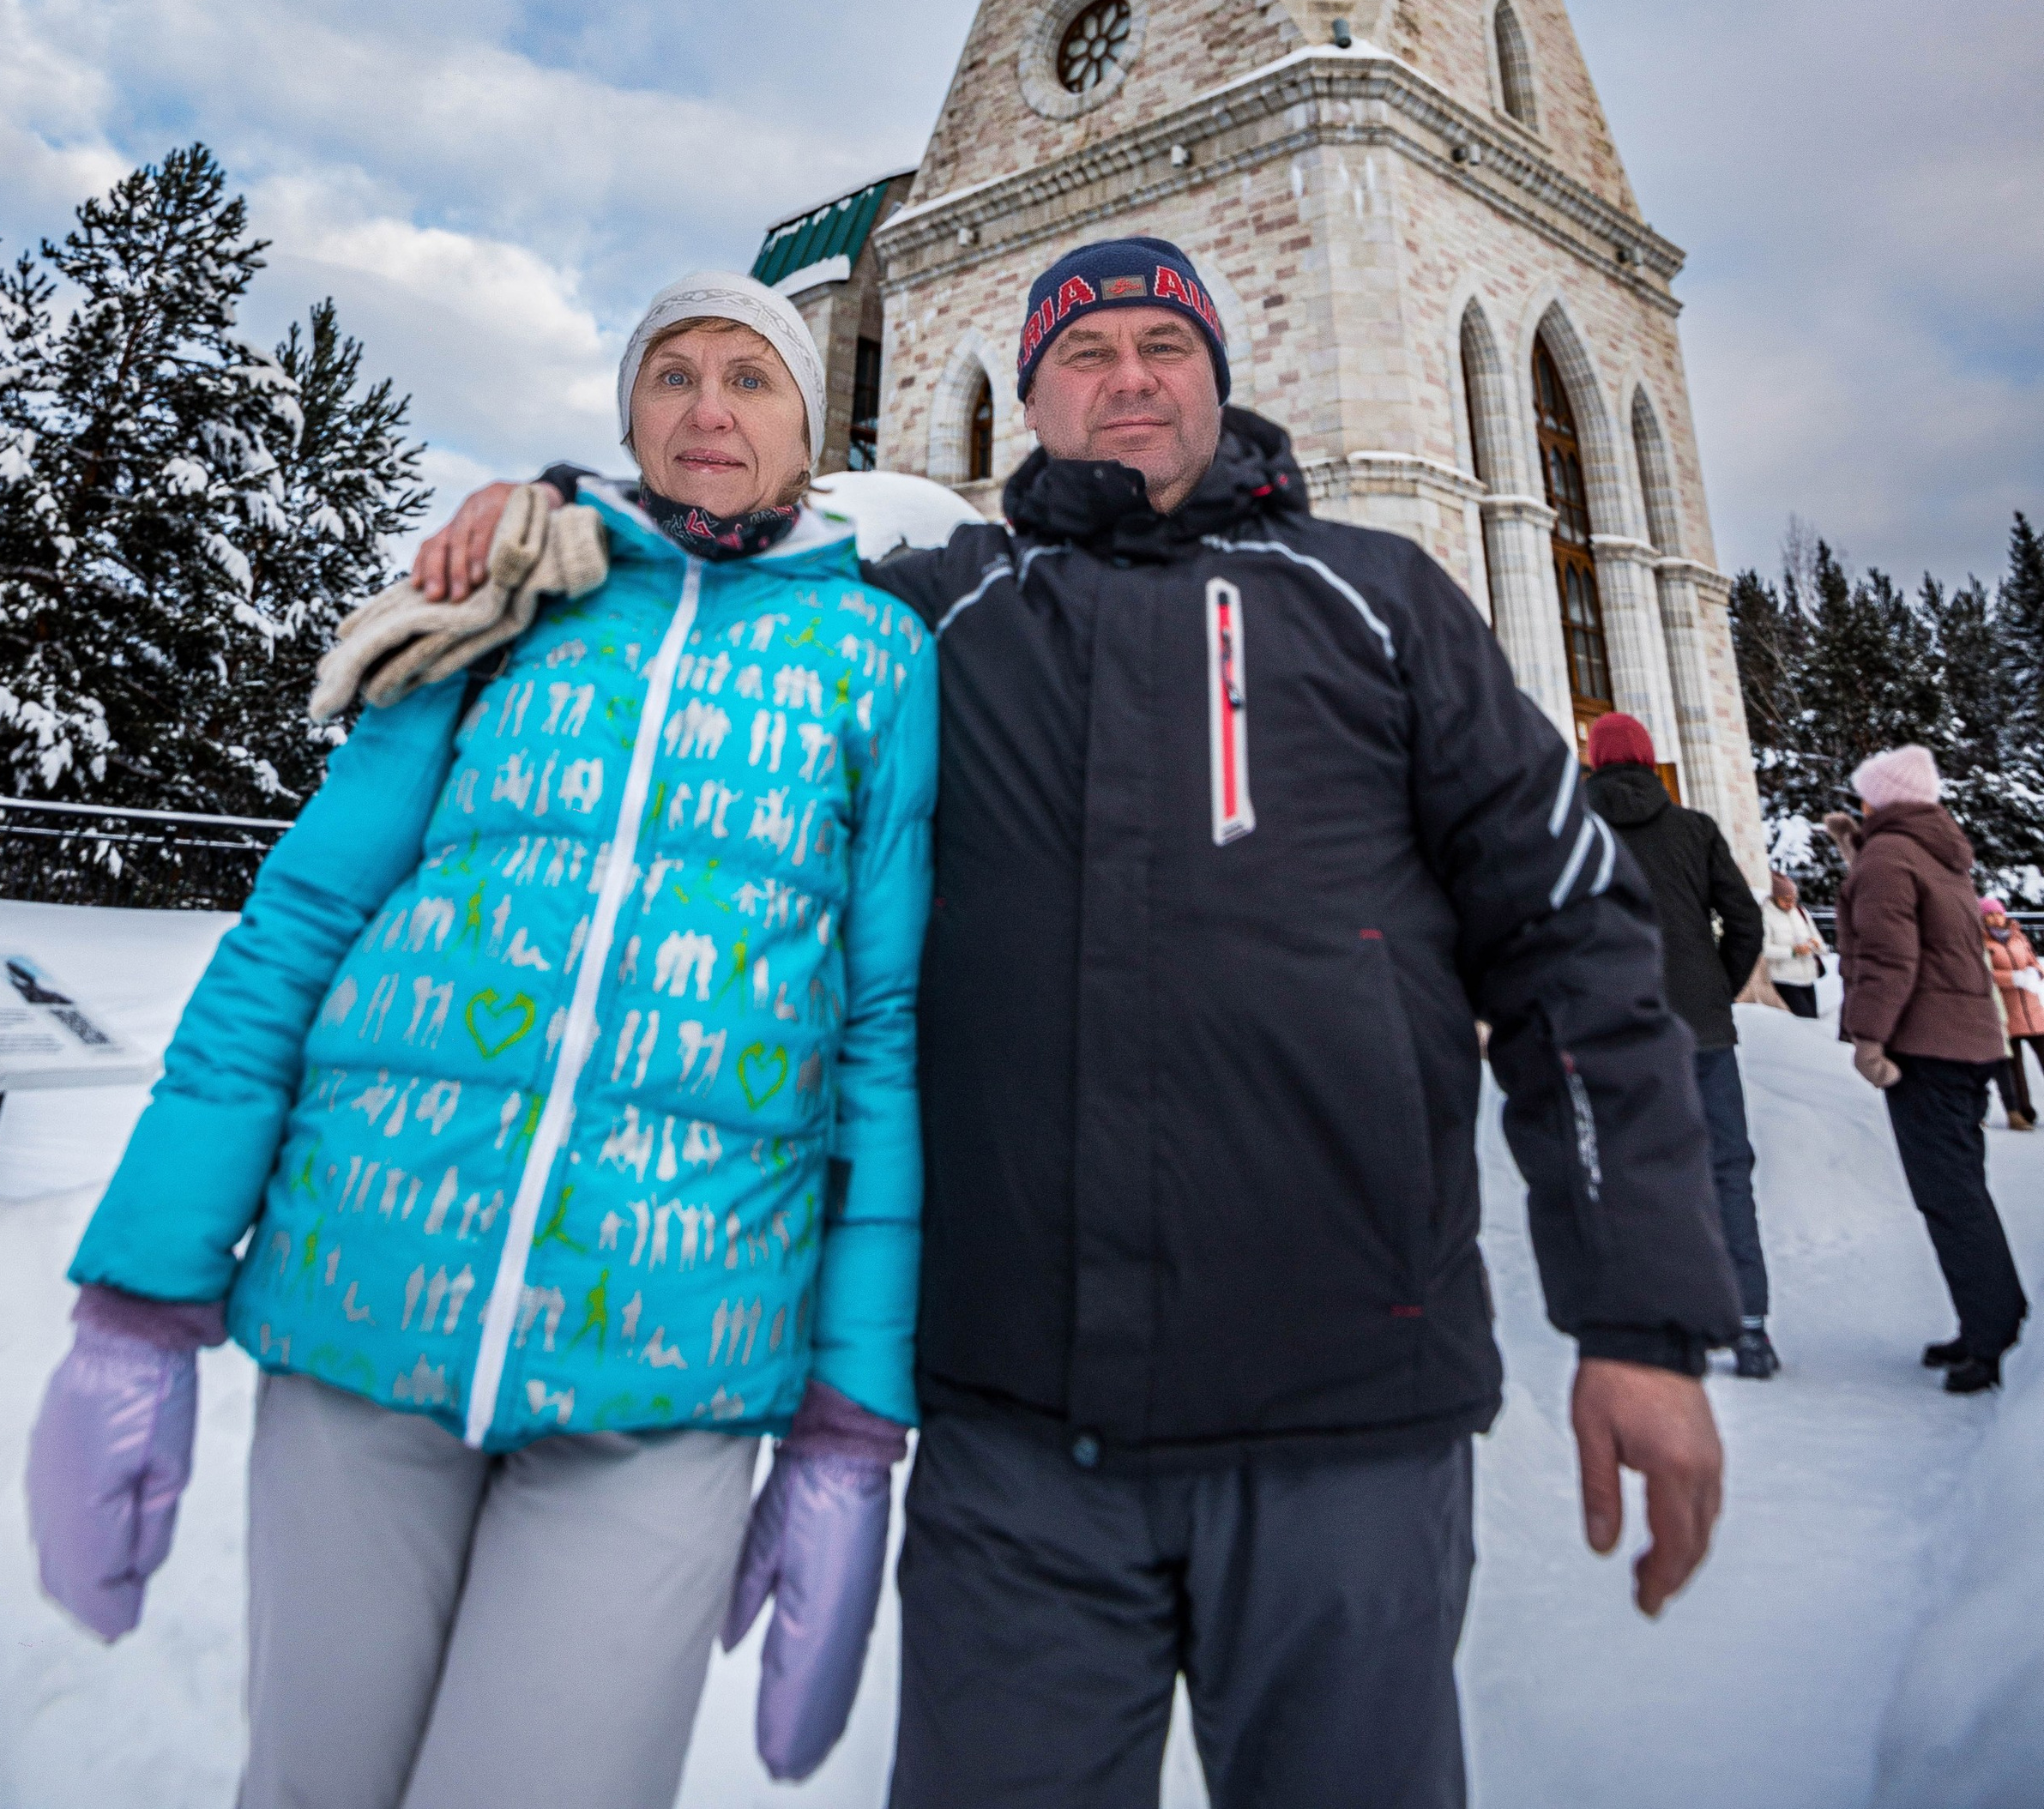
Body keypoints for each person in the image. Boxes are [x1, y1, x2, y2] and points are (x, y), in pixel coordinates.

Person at [429, 233, 1737, 1809]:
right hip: (1019, 1452)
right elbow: (729, 571)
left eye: (1162, 348)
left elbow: (1573, 944)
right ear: (1030, 397)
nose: (1129, 379)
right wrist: (560, 514)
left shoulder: (1378, 603)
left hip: (1347, 1429)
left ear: (1217, 377)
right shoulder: (935, 619)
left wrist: (1643, 1323)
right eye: (1087, 354)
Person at [24, 271, 938, 1809]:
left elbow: (882, 1036)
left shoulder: (881, 663)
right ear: (631, 414)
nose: (710, 408)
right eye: (675, 375)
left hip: (676, 1354)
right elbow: (302, 926)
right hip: (365, 1298)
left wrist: (851, 1424)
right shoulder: (505, 596)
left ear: (809, 424)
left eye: (752, 380)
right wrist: (140, 1303)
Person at [1581, 714, 1777, 1380]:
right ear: (1648, 756)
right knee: (1726, 1167)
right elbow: (1744, 918)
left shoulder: (1575, 833)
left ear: (1595, 762)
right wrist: (1716, 983)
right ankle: (1749, 1325)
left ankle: (1662, 1321)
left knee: (1633, 1168)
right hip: (1703, 1029)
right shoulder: (1694, 828)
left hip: (1619, 1030)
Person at [1838, 745, 2029, 1395]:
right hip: (1970, 1042)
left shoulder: (1889, 857)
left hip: (1925, 1047)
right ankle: (1988, 1319)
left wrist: (1869, 1037)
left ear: (1883, 800)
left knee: (1949, 1197)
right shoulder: (1937, 852)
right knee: (1962, 1189)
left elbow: (1890, 957)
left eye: (1866, 795)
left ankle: (1991, 1335)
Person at [1981, 895, 2044, 1130]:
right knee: (2015, 1069)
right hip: (2007, 1014)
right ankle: (2023, 1112)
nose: (1995, 918)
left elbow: (2033, 961)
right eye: (1989, 914)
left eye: (1998, 913)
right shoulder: (1982, 942)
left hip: (2034, 1012)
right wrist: (2014, 978)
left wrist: (2036, 973)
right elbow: (1985, 972)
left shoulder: (2019, 937)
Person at [1763, 871, 1829, 1017]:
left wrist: (1816, 945)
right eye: (1785, 899)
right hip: (1785, 979)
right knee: (1804, 1021)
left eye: (1793, 898)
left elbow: (1817, 939)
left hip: (1808, 978)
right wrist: (1792, 952)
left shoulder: (1800, 912)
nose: (1790, 903)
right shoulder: (1766, 914)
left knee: (1813, 1021)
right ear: (1775, 897)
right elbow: (1764, 948)